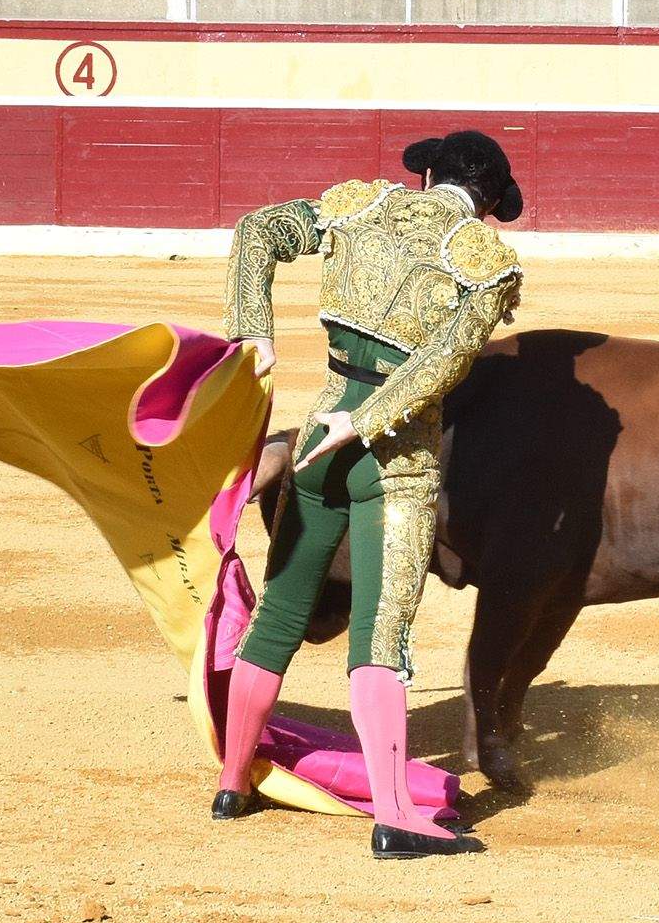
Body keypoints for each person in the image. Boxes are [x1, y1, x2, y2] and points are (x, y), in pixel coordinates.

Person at [215, 131, 525, 860]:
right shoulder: (485, 258)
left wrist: (252, 334)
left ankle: (233, 781)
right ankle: (395, 817)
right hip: (393, 463)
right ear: (486, 204)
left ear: (424, 175)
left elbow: (255, 230)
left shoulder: (356, 207)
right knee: (381, 638)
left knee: (279, 615)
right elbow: (446, 360)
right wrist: (371, 420)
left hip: (314, 441)